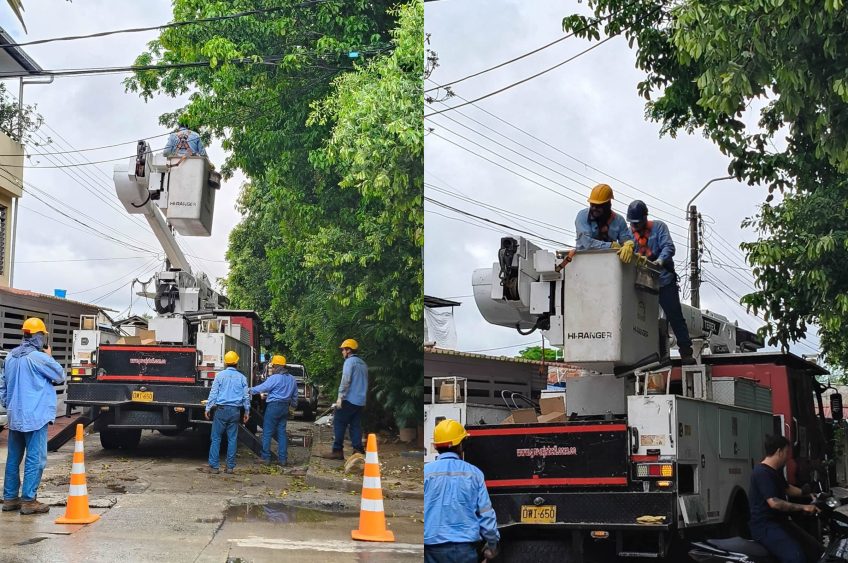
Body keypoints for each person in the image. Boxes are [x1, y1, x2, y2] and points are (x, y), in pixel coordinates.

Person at [0, 318, 64, 515]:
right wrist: (49, 356)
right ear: (38, 336)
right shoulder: (38, 358)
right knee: (35, 459)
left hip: (15, 416)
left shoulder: (11, 357)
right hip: (34, 416)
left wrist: (8, 405)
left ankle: (10, 499)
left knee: (13, 458)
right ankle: (29, 500)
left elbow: (3, 386)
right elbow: (60, 375)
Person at [625, 199, 695, 363]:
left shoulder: (658, 228)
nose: (635, 226)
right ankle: (650, 354)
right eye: (633, 223)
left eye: (638, 223)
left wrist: (660, 261)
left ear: (645, 218)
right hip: (642, 285)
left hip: (663, 280)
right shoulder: (629, 236)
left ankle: (686, 352)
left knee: (674, 315)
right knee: (643, 320)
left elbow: (668, 247)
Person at [424, 419, 500, 563]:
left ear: (436, 446)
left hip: (430, 548)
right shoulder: (474, 474)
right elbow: (486, 515)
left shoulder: (426, 472)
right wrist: (492, 545)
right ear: (461, 445)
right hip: (463, 549)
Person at [749, 434, 823, 563]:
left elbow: (787, 488)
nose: (787, 457)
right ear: (779, 451)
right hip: (766, 526)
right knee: (796, 557)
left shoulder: (774, 471)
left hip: (781, 522)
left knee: (813, 548)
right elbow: (774, 503)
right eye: (786, 452)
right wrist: (803, 507)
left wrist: (806, 493)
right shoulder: (762, 473)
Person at [201, 351, 250, 475]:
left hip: (221, 411)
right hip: (235, 411)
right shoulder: (242, 378)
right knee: (232, 439)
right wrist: (247, 411)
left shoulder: (220, 376)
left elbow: (213, 394)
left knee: (216, 438)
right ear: (237, 363)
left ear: (226, 363)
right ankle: (230, 467)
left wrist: (208, 408)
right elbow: (246, 397)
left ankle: (214, 467)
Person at [320, 338, 368, 460]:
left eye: (343, 350)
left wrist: (340, 397)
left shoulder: (349, 362)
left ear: (348, 350)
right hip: (360, 401)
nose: (342, 352)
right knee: (355, 425)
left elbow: (346, 379)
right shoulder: (363, 364)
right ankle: (358, 450)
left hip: (349, 399)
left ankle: (337, 450)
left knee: (339, 423)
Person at [249, 355, 297, 466]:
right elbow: (294, 398)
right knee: (281, 432)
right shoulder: (292, 379)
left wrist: (249, 390)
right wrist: (292, 408)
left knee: (267, 432)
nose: (273, 368)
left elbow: (262, 388)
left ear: (276, 366)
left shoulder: (274, 378)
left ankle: (265, 458)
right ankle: (283, 459)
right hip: (285, 407)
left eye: (273, 366)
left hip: (273, 407)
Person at [575, 184, 635, 263]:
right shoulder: (582, 216)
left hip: (609, 264)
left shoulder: (619, 221)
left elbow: (625, 241)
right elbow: (587, 243)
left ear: (608, 205)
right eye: (592, 205)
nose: (594, 208)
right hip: (584, 261)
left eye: (598, 206)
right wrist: (610, 246)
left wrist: (629, 245)